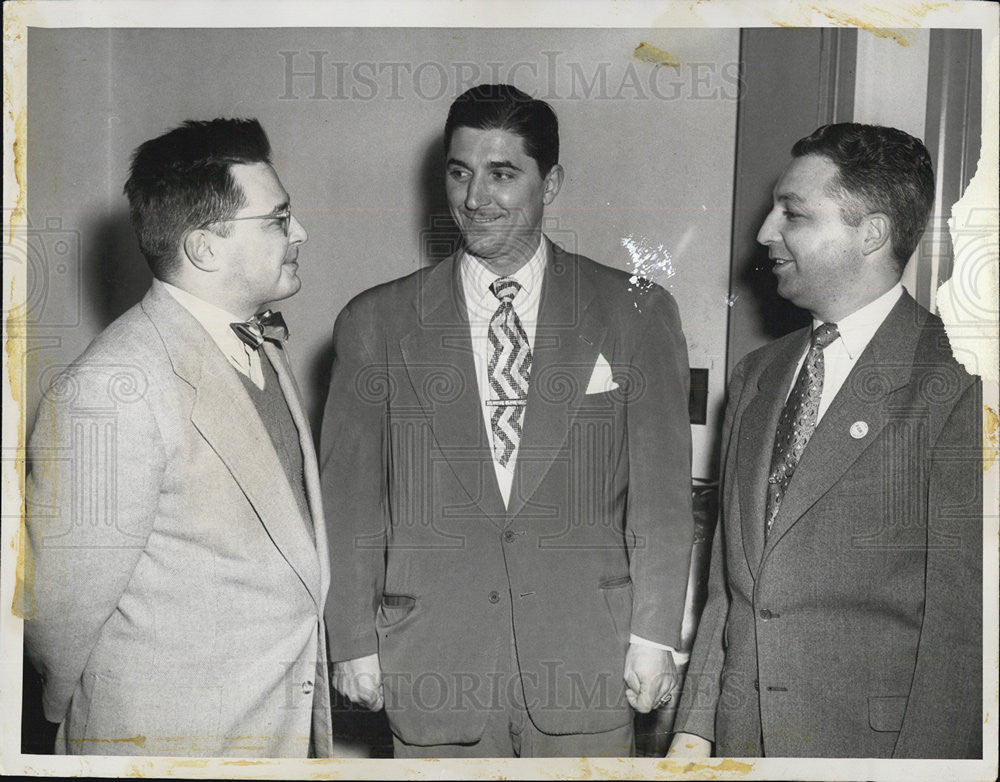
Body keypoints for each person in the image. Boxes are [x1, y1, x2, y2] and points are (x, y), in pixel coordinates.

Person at [319, 84, 694, 758]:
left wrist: (653, 637)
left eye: (502, 174)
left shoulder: (633, 311)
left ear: (549, 181)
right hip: (433, 662)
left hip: (589, 660)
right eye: (459, 172)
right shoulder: (375, 322)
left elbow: (662, 500)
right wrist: (351, 642)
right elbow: (349, 505)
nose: (475, 197)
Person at [22, 118, 334, 757]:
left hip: (273, 732)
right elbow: (59, 613)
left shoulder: (261, 347)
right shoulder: (111, 388)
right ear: (205, 248)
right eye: (279, 219)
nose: (299, 233)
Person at [670, 123, 982, 758]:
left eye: (793, 213)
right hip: (738, 742)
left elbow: (964, 629)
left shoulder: (960, 382)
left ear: (871, 233)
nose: (763, 232)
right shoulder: (757, 378)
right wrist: (694, 731)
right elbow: (731, 589)